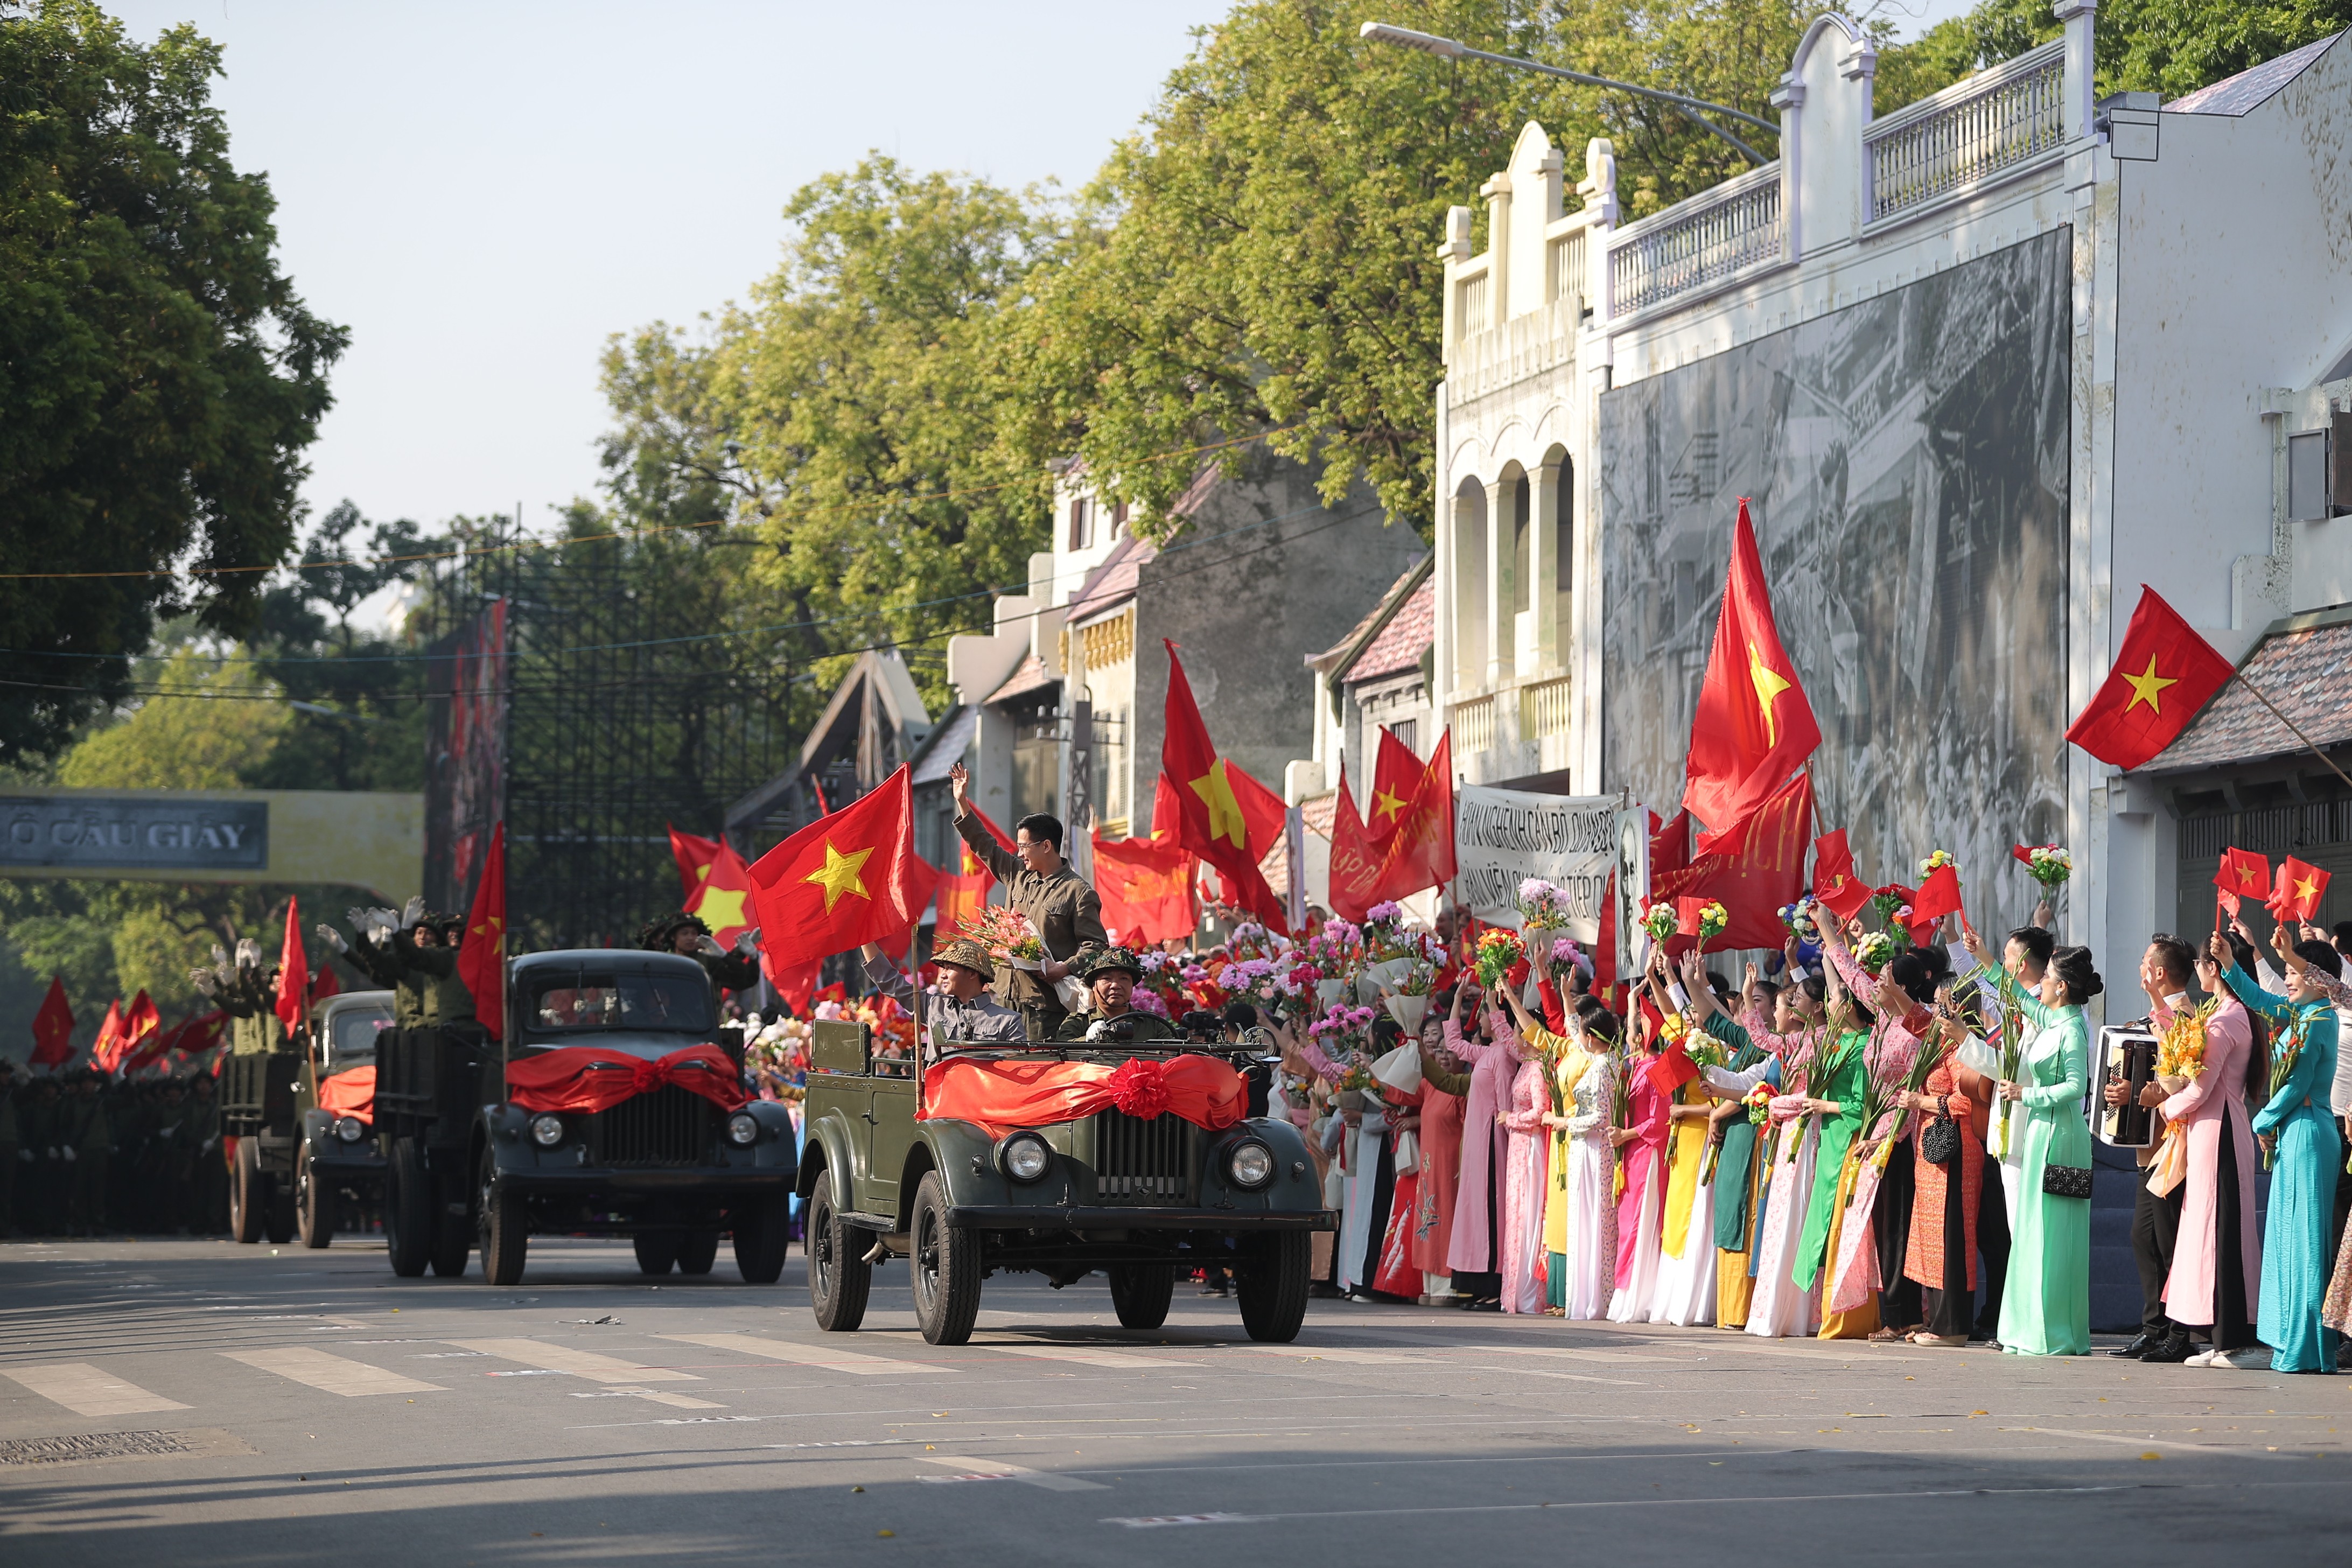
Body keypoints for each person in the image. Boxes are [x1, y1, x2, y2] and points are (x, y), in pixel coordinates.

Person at [1963, 922, 2097, 1356]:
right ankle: (2030, 1328)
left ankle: (2054, 1330)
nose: (2039, 987)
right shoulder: (2053, 1018)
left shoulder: (2073, 1029)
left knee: (2054, 1234)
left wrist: (2027, 1093)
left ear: (2062, 988)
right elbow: (2017, 994)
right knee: (2033, 1231)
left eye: (2048, 981)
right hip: (2041, 1131)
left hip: (2063, 1135)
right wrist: (1985, 957)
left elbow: (2077, 1087)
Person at [2216, 923, 2343, 1373]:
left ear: (2319, 978)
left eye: (2295, 972)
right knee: (2289, 1241)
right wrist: (2231, 965)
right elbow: (2258, 999)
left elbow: (2302, 1084)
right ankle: (2293, 1339)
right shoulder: (2299, 1015)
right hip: (2293, 1131)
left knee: (2307, 1243)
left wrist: (2263, 1118)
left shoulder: (2324, 1018)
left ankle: (2309, 1348)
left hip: (2311, 1132)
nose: (2287, 980)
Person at [948, 764, 1106, 1039]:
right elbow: (984, 845)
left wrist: (1064, 968)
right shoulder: (1018, 875)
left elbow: (1097, 946)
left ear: (1046, 846)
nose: (1019, 853)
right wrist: (962, 802)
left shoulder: (1077, 891)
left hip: (1044, 1006)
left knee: (1034, 1068)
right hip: (1003, 995)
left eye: (1024, 846)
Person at [2106, 937, 2196, 1361]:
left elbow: (2184, 1074)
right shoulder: (2154, 1015)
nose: (2140, 967)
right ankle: (2154, 1327)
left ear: (2160, 972)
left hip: (2172, 1149)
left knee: (2167, 1240)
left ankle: (2179, 1332)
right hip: (2149, 1149)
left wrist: (2146, 1092)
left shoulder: (2185, 1015)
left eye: (2146, 961)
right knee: (2143, 1238)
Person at [859, 936, 1025, 1055]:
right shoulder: (933, 1006)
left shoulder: (1008, 1021)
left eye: (949, 968)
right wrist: (863, 935)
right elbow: (891, 982)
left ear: (973, 974)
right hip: (937, 1101)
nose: (943, 975)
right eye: (943, 968)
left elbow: (1017, 1072)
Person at [1053, 949, 1182, 1042]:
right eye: (1107, 979)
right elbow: (1061, 1049)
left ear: (1133, 986)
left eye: (1124, 979)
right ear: (1094, 986)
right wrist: (1086, 1040)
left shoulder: (1153, 1024)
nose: (1115, 985)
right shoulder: (1078, 1023)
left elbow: (1173, 1057)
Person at [642, 912, 762, 995]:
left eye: (694, 933)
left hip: (704, 1027)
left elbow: (745, 980)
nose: (690, 938)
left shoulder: (708, 961)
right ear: (673, 937)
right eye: (684, 933)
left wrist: (752, 957)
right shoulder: (664, 962)